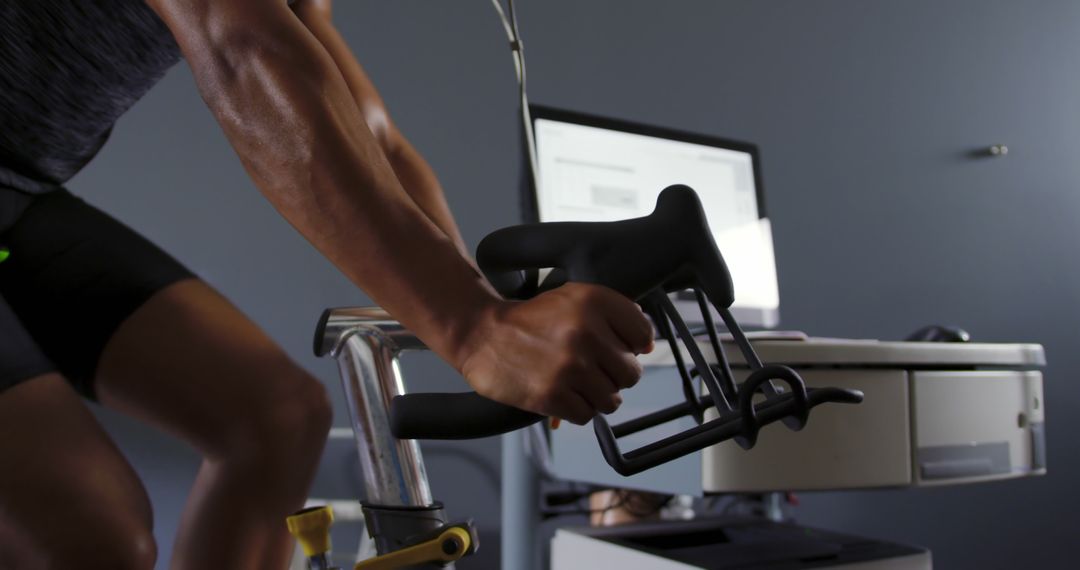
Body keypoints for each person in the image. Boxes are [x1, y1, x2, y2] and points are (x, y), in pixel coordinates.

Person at [0, 1, 654, 568]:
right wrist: (472, 331)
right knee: (91, 541)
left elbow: (366, 129)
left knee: (278, 420)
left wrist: (480, 313)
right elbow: (240, 50)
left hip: (17, 193)